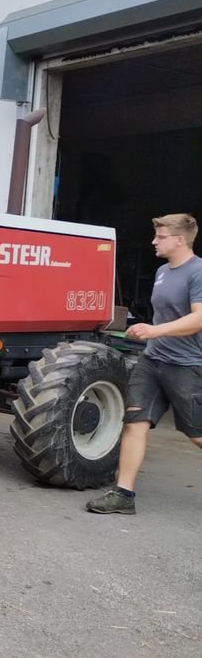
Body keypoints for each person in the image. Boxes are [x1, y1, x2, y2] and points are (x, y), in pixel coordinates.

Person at [88, 213, 202, 514]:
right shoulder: (164, 271)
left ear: (179, 240)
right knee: (134, 423)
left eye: (161, 236)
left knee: (196, 433)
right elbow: (167, 315)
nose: (154, 241)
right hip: (153, 360)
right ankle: (123, 495)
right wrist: (151, 332)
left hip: (186, 364)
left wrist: (155, 331)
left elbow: (198, 318)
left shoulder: (198, 272)